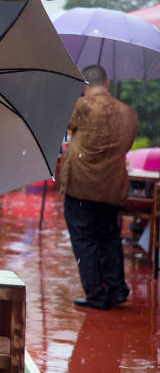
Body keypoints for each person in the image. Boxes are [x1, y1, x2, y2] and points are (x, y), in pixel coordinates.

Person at [57, 65, 137, 311]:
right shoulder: (129, 113)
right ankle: (116, 289)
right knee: (110, 238)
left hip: (81, 187)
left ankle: (96, 295)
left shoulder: (82, 106)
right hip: (112, 188)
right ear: (108, 83)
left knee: (84, 240)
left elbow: (63, 124)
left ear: (85, 86)